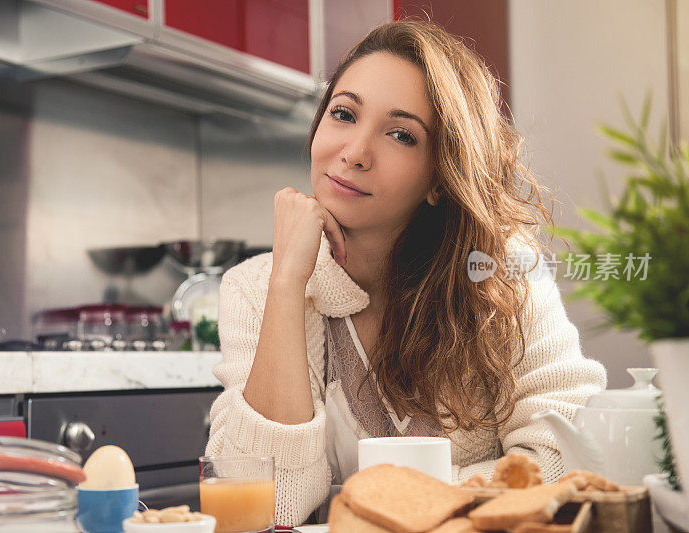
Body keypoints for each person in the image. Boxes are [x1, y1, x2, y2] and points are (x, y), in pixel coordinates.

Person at [205, 19, 607, 526]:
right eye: (343, 113)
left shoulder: (503, 271)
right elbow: (272, 503)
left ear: (440, 177)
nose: (354, 152)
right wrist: (287, 283)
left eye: (401, 135)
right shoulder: (254, 288)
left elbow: (566, 454)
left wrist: (384, 504)